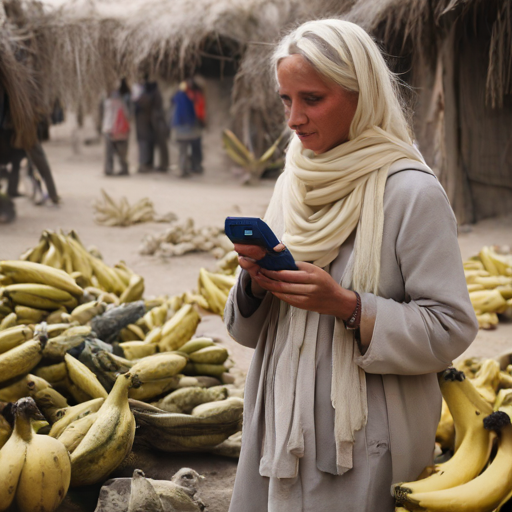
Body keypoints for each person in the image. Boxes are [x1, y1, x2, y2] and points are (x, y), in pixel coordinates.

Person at [224, 19, 478, 512]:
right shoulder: (294, 180)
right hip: (278, 423)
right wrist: (257, 283)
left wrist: (347, 305)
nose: (294, 118)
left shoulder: (411, 193)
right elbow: (248, 333)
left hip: (361, 439)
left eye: (312, 99)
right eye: (286, 99)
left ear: (363, 95)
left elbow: (451, 328)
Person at [133, 79, 169, 173]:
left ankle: (161, 165)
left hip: (157, 122)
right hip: (150, 124)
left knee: (158, 144)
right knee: (149, 144)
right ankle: (149, 164)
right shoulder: (150, 94)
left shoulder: (152, 95)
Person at [170, 81, 204, 176]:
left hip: (179, 127)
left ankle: (184, 168)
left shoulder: (177, 97)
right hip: (188, 127)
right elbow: (193, 112)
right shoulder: (190, 97)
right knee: (188, 149)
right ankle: (187, 168)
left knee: (183, 150)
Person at [101, 82, 131, 176]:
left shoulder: (107, 102)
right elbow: (127, 115)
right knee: (122, 152)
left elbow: (103, 115)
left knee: (109, 152)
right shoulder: (122, 102)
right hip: (121, 131)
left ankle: (108, 169)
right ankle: (124, 168)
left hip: (109, 129)